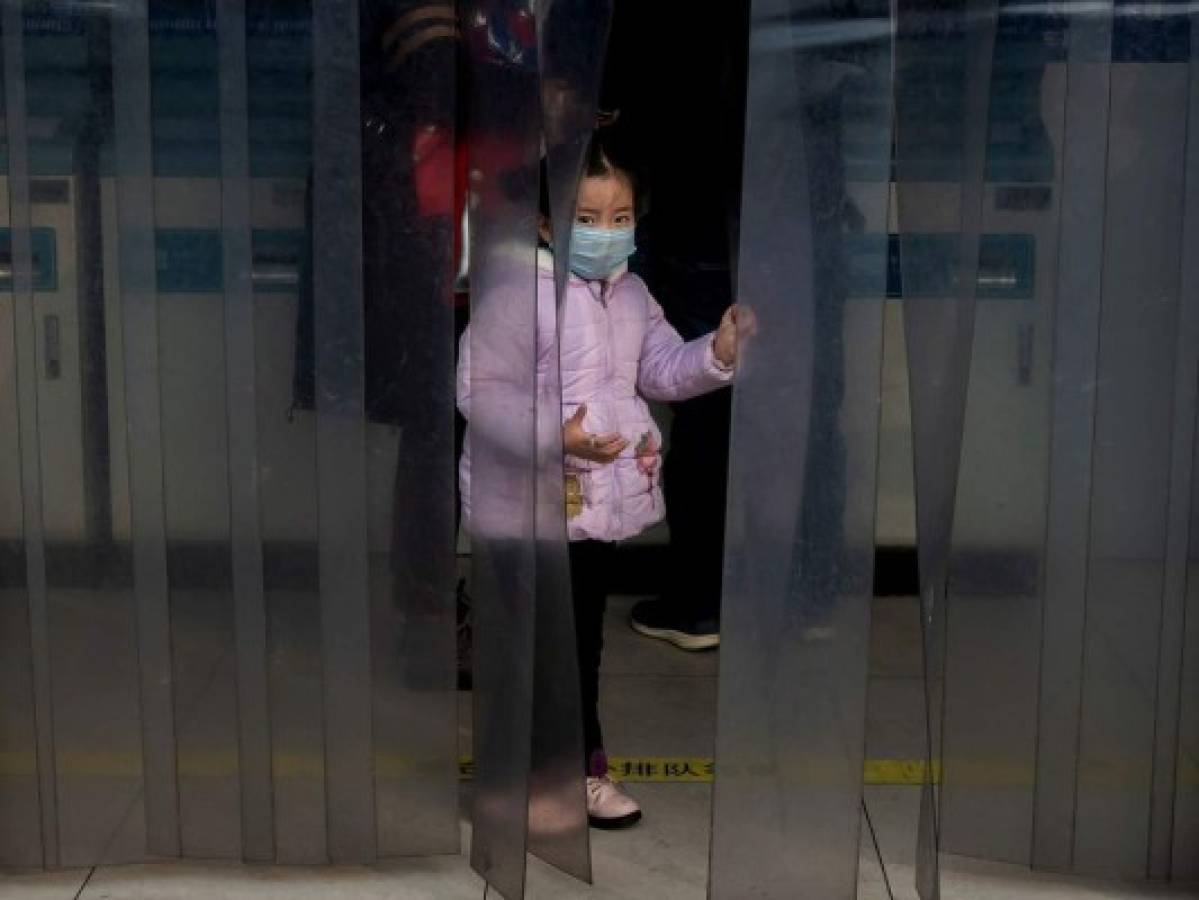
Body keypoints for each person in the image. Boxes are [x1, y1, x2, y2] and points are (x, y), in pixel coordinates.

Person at [457, 128, 745, 829]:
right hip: (521, 508)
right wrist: (554, 436)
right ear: (547, 223)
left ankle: (579, 773)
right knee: (528, 647)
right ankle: (512, 778)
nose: (606, 234)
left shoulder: (633, 295)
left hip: (591, 509)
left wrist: (718, 351)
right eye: (587, 220)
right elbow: (477, 390)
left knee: (579, 646)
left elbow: (661, 372)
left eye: (620, 219)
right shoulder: (516, 295)